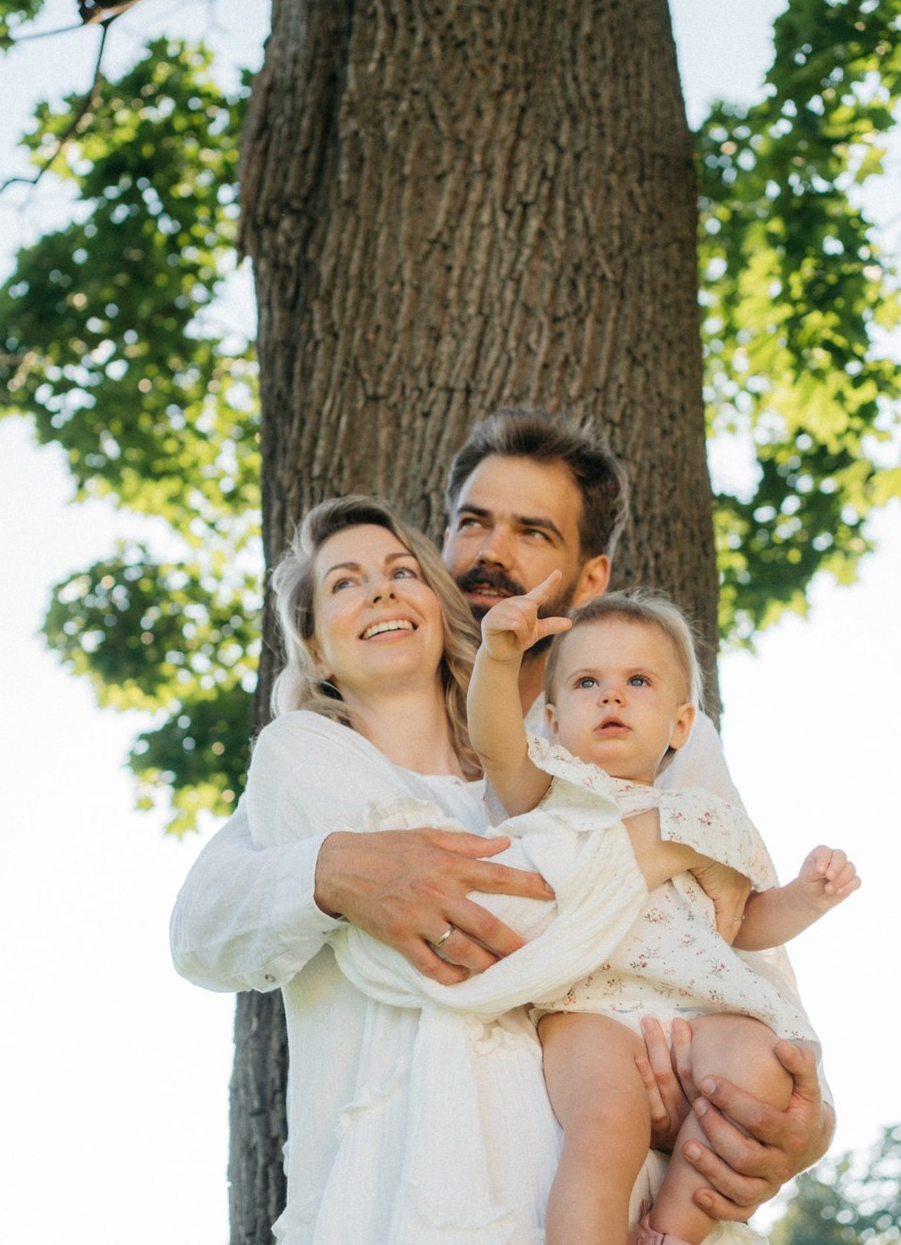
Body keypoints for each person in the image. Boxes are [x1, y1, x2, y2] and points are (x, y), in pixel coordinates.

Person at [171, 409, 836, 1219]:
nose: (493, 553)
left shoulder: (651, 735)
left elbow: (739, 939)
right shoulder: (343, 749)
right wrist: (329, 869)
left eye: (532, 532)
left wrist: (805, 1118)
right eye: (472, 524)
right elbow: (205, 924)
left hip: (632, 1166)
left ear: (589, 580)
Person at [246, 495, 709, 1241]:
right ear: (317, 649)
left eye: (402, 571)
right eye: (345, 582)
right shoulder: (300, 758)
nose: (382, 589)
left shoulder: (544, 775)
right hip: (410, 1192)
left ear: (436, 603)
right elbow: (464, 946)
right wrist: (650, 844)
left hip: (596, 1194)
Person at [467, 578, 859, 1244]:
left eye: (638, 682)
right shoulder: (551, 789)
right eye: (587, 682)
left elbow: (744, 924)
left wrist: (807, 896)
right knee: (606, 1127)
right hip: (588, 1006)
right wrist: (499, 659)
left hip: (698, 1005)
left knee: (763, 1068)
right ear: (554, 722)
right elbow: (497, 742)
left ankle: (672, 1230)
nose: (612, 695)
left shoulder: (705, 819)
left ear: (681, 724)